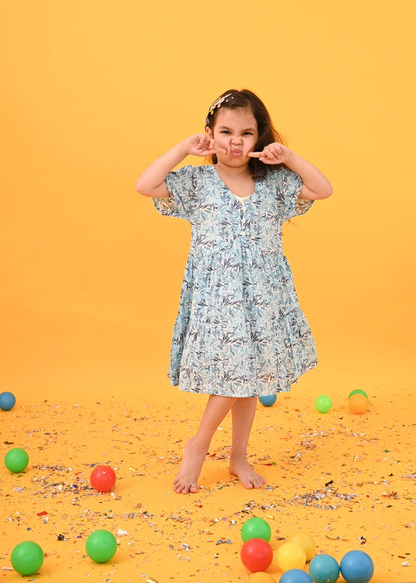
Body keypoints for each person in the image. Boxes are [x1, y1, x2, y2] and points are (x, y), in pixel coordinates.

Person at [136, 89, 333, 495]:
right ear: (210, 133)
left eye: (246, 132)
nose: (235, 141)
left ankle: (238, 456)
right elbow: (146, 184)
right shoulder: (198, 182)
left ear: (259, 138)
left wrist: (290, 158)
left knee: (252, 378)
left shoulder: (275, 185)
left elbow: (322, 188)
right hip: (217, 297)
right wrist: (183, 149)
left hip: (263, 295)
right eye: (225, 131)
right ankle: (199, 445)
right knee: (234, 373)